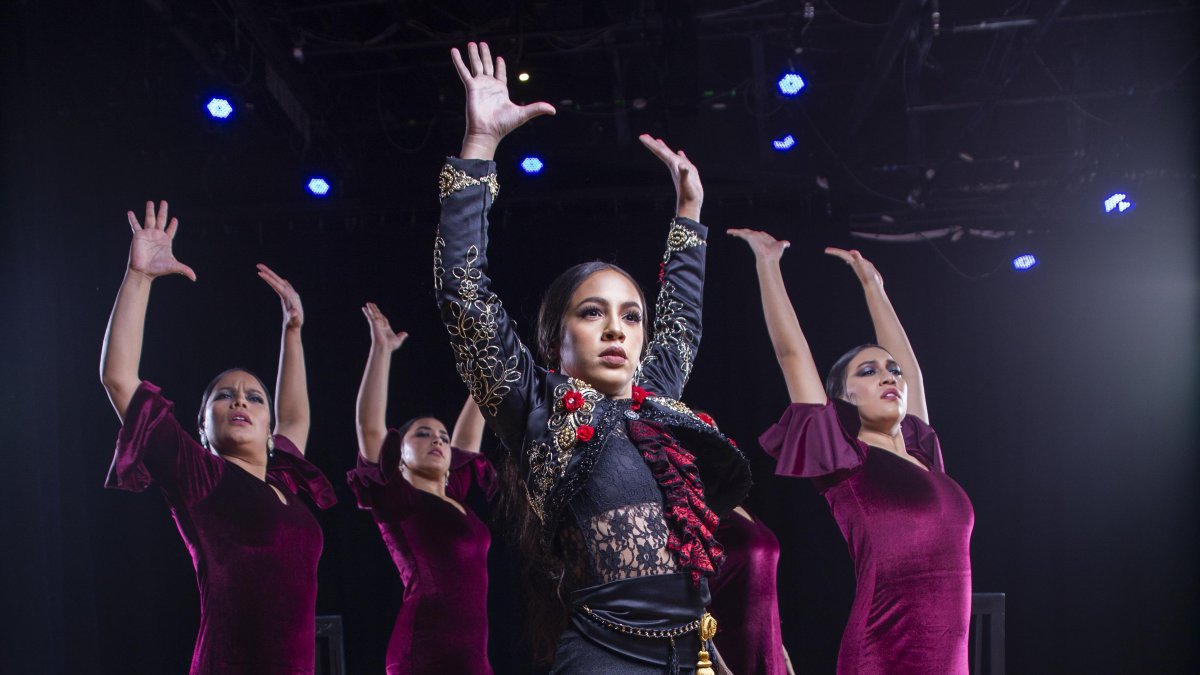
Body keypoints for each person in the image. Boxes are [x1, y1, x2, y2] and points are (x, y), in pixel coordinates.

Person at [435, 42, 750, 674]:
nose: (616, 329)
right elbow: (462, 296)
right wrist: (478, 146)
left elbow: (681, 320)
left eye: (631, 315)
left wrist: (689, 214)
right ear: (557, 342)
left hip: (696, 656)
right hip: (605, 658)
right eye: (592, 312)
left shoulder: (657, 402)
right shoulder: (539, 409)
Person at [100, 200, 336, 675]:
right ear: (202, 428)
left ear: (268, 428)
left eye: (253, 398)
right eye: (224, 397)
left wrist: (293, 331)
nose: (241, 402)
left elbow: (295, 418)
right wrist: (140, 277)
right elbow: (120, 379)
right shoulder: (202, 476)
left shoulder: (285, 483)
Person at [730, 228, 974, 674]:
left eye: (891, 371)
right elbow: (790, 354)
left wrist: (873, 288)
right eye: (868, 371)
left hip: (949, 659)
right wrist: (767, 264)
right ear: (842, 397)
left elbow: (912, 372)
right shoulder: (844, 458)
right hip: (882, 652)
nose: (889, 377)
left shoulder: (924, 453)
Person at [346, 302, 496, 674]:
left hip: (473, 656)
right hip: (425, 650)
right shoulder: (402, 500)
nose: (438, 441)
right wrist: (381, 351)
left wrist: (488, 372)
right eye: (423, 434)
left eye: (443, 436)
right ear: (399, 453)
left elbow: (468, 438)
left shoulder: (453, 497)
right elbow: (369, 429)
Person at [695, 412, 793, 675]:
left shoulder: (736, 505)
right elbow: (689, 601)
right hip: (728, 656)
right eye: (698, 437)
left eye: (715, 435)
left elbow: (761, 592)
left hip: (768, 653)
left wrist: (780, 651)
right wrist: (717, 666)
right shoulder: (689, 513)